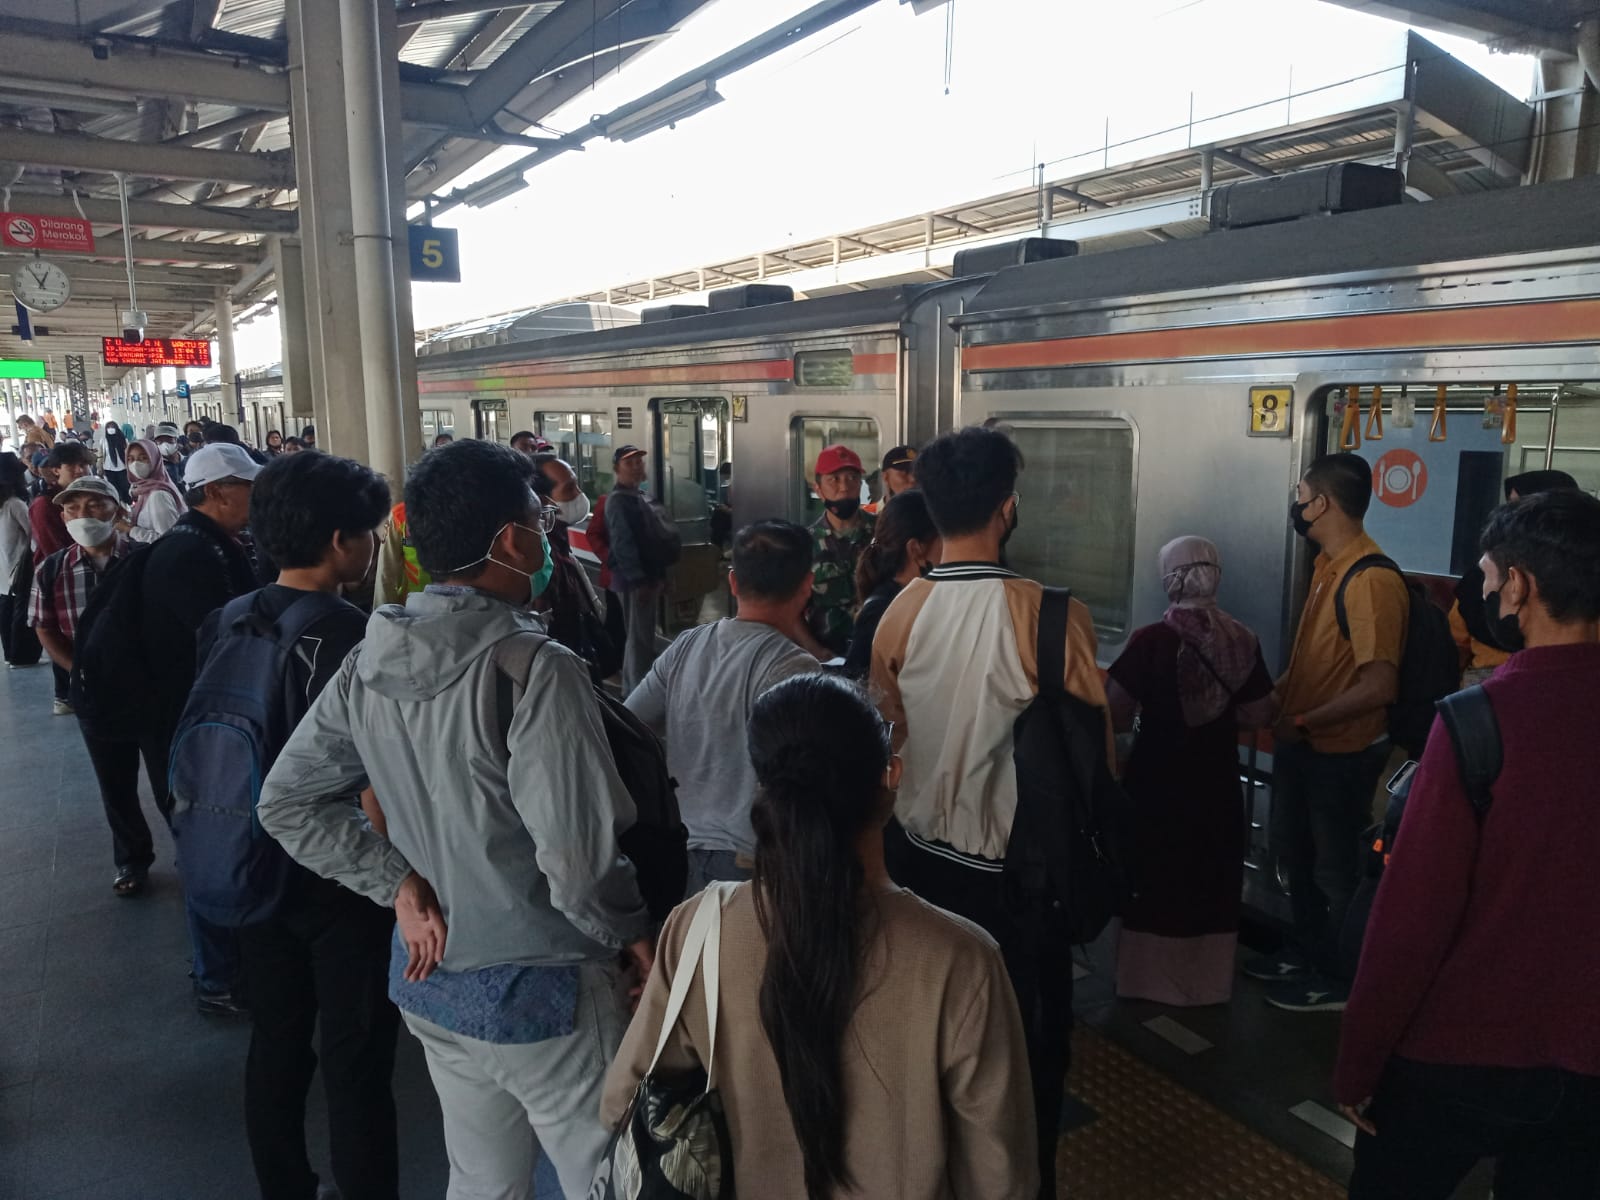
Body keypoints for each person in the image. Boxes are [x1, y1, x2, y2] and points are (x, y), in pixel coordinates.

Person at [258, 438, 652, 1199]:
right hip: (552, 996)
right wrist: (634, 936)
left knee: (480, 1179)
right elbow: (577, 865)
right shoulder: (536, 669)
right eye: (539, 520)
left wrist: (399, 882)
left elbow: (288, 801)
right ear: (510, 540)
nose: (546, 536)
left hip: (434, 982)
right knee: (605, 1178)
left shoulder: (371, 659)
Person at [603, 673, 1038, 1198]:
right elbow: (1001, 1176)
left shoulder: (698, 927)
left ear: (764, 785)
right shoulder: (963, 962)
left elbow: (623, 1099)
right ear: (890, 775)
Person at [1335, 490, 1600, 1200]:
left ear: (1520, 586)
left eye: (1485, 578)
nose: (1481, 594)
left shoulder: (1477, 721)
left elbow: (1411, 920)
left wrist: (1358, 1063)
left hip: (1457, 1055)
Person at [870, 425, 1108, 1199]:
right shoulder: (1052, 618)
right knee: (1027, 1059)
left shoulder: (898, 614)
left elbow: (888, 742)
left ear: (929, 508)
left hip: (915, 873)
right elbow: (1096, 764)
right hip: (1020, 887)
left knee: (923, 1047)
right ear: (1008, 508)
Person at [206, 451, 401, 1200]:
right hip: (335, 875)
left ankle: (284, 1186)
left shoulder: (229, 616)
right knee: (355, 1063)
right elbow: (372, 776)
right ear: (338, 541)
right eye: (369, 532)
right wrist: (398, 879)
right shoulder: (350, 633)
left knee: (278, 1045)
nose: (375, 545)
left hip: (248, 866)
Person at [1247, 452, 1408, 1013]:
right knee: (1295, 854)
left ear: (1324, 503)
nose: (1296, 505)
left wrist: (1305, 720)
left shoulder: (1371, 579)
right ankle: (1306, 953)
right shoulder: (1327, 565)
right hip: (1304, 745)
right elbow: (1315, 655)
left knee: (1334, 869)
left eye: (1301, 494)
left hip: (1340, 755)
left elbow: (1379, 685)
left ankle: (1341, 982)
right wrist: (1279, 696)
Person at [1105, 536, 1275, 1006]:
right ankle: (1207, 984)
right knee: (1208, 875)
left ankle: (1146, 981)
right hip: (1217, 779)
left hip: (1156, 779)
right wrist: (1215, 719)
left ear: (1171, 578)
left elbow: (1115, 710)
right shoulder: (1243, 639)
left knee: (1158, 874)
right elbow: (1260, 713)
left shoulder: (1152, 641)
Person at [625, 521, 818, 892]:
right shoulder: (794, 667)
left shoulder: (686, 645)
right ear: (808, 585)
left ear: (731, 581)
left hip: (680, 848)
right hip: (750, 862)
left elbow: (630, 725)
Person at [142, 442, 263, 1014]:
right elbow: (221, 645)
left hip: (198, 720)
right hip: (189, 726)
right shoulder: (189, 556)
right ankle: (217, 978)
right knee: (209, 841)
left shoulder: (210, 543)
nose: (256, 498)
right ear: (215, 492)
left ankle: (228, 965)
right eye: (248, 487)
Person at [27, 478, 151, 892]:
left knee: (172, 776)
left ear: (117, 510)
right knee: (115, 782)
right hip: (96, 694)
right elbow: (45, 628)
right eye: (73, 508)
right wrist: (78, 670)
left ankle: (193, 849)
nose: (83, 515)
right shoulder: (52, 569)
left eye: (95, 505)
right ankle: (132, 860)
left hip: (151, 690)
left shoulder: (146, 560)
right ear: (62, 517)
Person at [1448, 469, 1578, 685]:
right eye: (1509, 508)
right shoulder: (1479, 579)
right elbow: (1455, 648)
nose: (1510, 521)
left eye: (1522, 512)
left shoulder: (1583, 589)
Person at [842, 488, 941, 679]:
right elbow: (855, 685)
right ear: (916, 549)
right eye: (943, 541)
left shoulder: (917, 598)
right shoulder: (882, 611)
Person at [605, 444, 679, 693]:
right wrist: (639, 580)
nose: (637, 466)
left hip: (647, 577)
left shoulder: (638, 496)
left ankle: (634, 687)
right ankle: (636, 694)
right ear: (617, 469)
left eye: (639, 462)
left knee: (642, 635)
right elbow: (622, 543)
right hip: (634, 581)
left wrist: (660, 576)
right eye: (629, 463)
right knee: (639, 639)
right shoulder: (618, 501)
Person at [529, 452, 611, 676]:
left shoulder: (559, 546)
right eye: (569, 489)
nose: (579, 496)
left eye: (577, 486)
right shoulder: (539, 557)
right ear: (542, 500)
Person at [805, 444, 876, 657]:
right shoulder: (805, 543)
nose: (844, 487)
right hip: (826, 654)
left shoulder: (883, 533)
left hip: (877, 650)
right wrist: (815, 650)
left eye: (852, 478)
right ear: (818, 488)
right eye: (834, 479)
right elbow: (792, 610)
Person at [0, 453, 42, 669]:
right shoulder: (14, 504)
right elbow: (33, 533)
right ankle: (21, 655)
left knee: (5, 610)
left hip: (4, 567)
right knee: (21, 609)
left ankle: (9, 652)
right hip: (19, 565)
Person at [119, 439, 186, 544]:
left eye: (143, 458)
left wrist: (130, 530)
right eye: (131, 459)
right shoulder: (147, 487)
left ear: (155, 460)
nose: (136, 464)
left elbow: (169, 541)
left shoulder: (158, 495)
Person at [374, 498, 429, 608]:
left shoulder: (465, 511)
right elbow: (386, 573)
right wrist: (383, 619)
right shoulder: (400, 515)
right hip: (412, 610)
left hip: (459, 610)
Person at [865, 444, 918, 515]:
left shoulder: (934, 517)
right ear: (886, 477)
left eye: (918, 473)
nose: (913, 479)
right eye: (904, 472)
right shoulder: (869, 516)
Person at [99, 420, 131, 502]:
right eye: (108, 427)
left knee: (124, 486)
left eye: (112, 427)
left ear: (116, 428)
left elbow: (128, 453)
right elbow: (101, 454)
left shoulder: (123, 440)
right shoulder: (103, 440)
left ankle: (127, 502)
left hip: (122, 467)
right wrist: (100, 468)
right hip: (108, 467)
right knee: (113, 487)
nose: (110, 429)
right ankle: (117, 502)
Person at [154, 422, 187, 487]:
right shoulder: (156, 466)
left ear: (177, 440)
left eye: (169, 440)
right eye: (160, 441)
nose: (165, 444)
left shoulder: (188, 461)